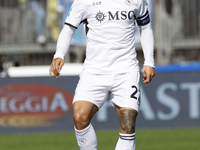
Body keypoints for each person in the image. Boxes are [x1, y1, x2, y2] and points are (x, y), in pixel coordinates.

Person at [49, 0, 156, 149]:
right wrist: (59, 55)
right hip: (94, 71)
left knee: (128, 124)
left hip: (125, 70)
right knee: (80, 117)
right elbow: (68, 29)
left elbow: (145, 27)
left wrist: (149, 61)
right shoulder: (83, 2)